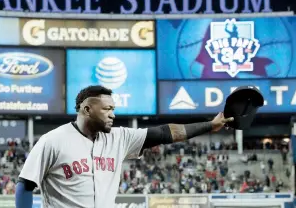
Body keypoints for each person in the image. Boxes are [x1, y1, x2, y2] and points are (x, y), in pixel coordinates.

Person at [15, 85, 233, 208]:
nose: (113, 114)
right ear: (87, 109)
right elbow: (25, 185)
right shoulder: (53, 140)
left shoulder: (119, 138)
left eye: (113, 108)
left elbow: (166, 133)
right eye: (107, 109)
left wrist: (210, 125)